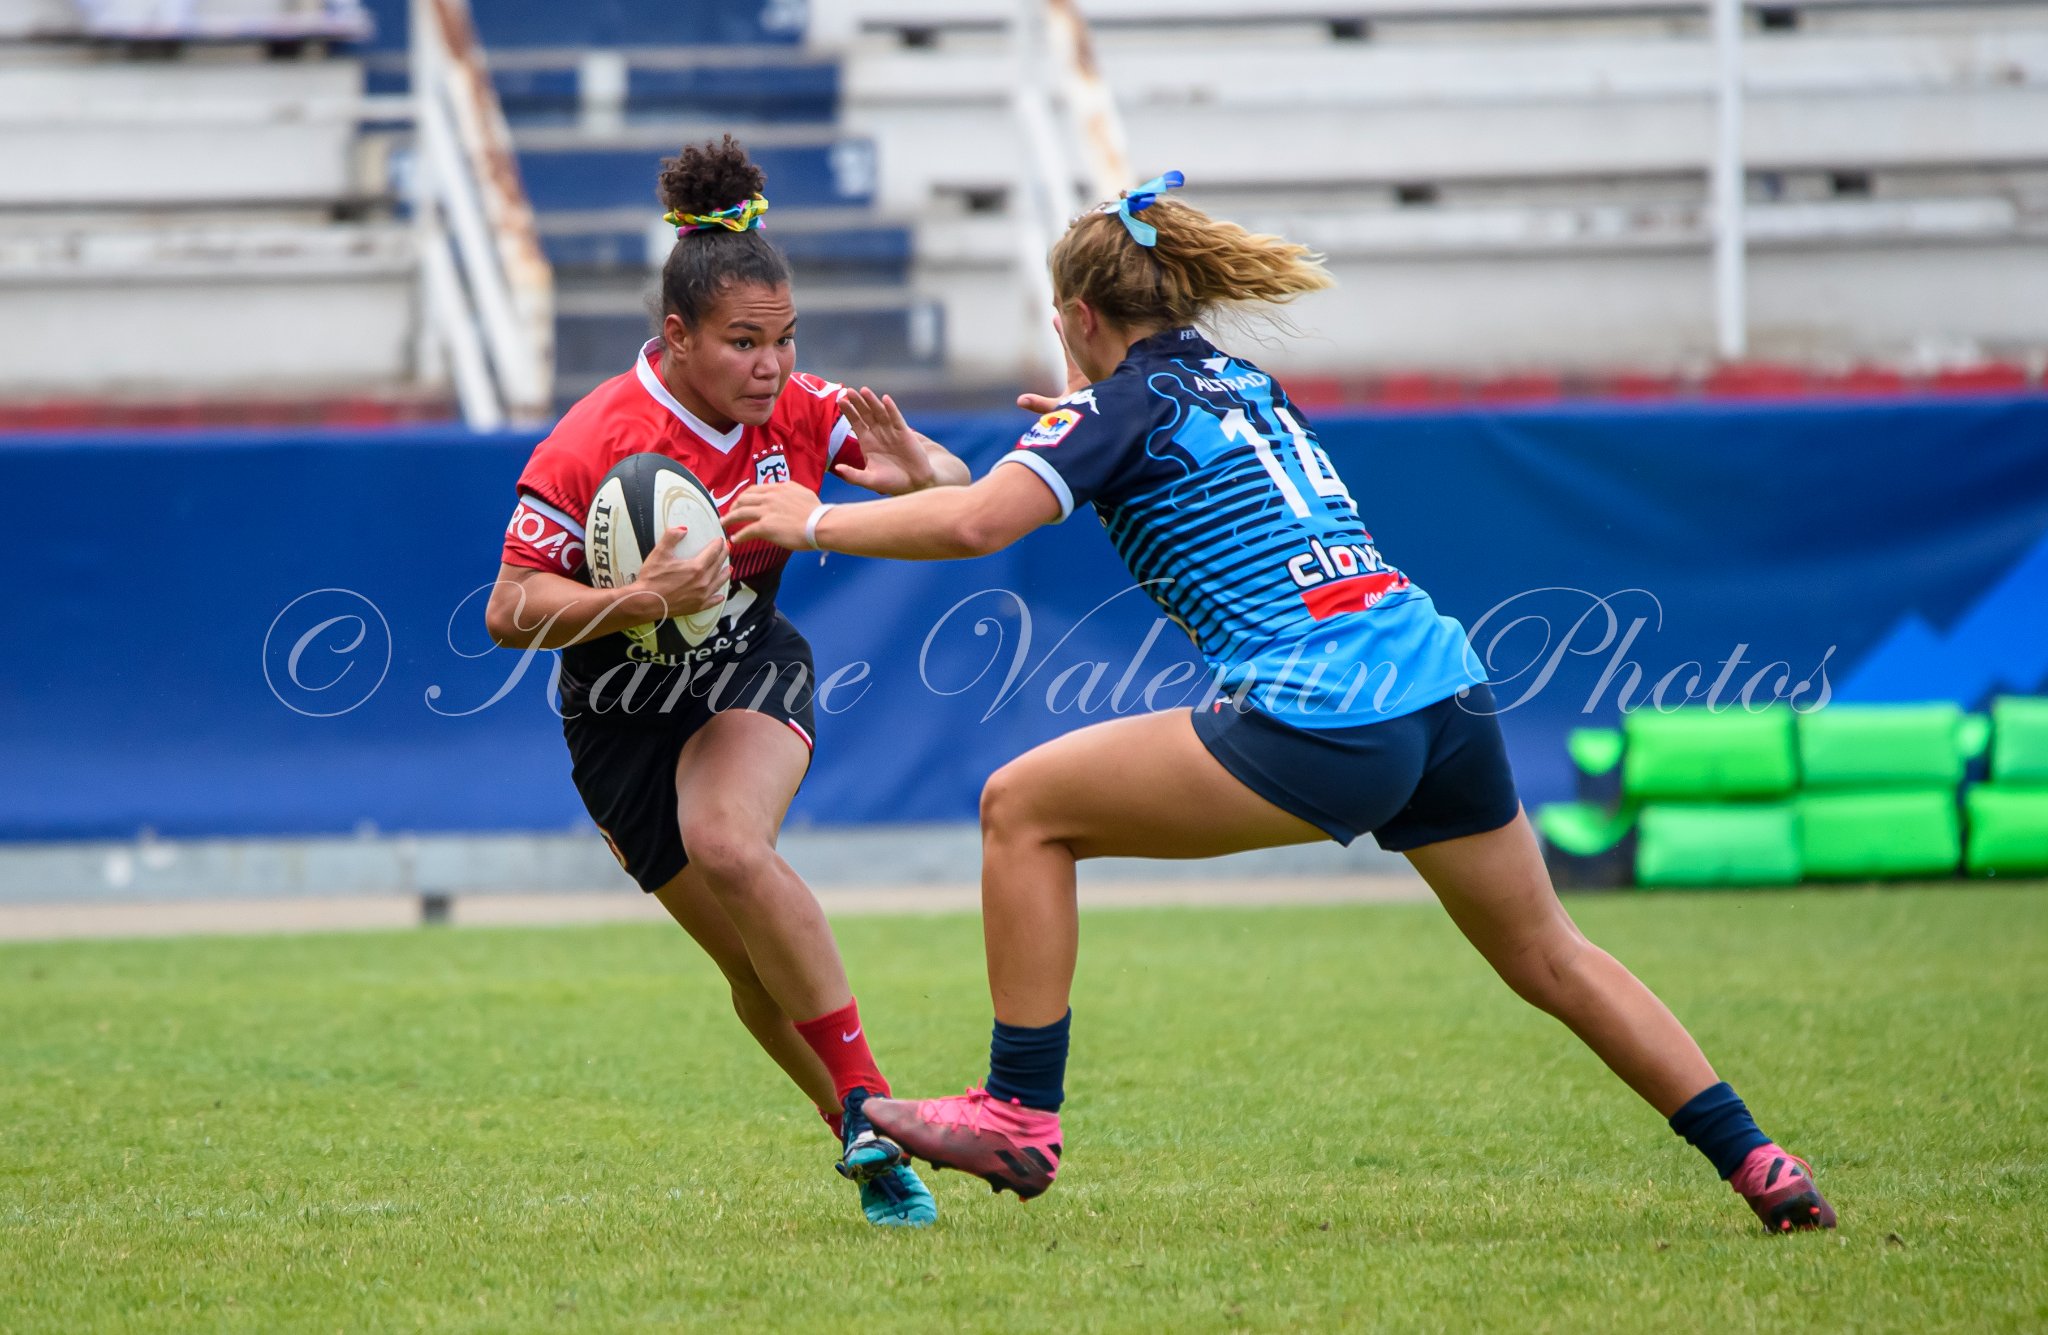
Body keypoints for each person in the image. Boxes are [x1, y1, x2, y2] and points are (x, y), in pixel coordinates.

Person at [725, 174, 1837, 1234]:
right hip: (1440, 689)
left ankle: (1016, 1115)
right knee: (1550, 954)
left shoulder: (1109, 412)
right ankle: (1756, 1159)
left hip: (1324, 712)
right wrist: (954, 466)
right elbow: (1015, 491)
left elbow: (977, 528)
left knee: (1023, 808)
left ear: (1074, 313)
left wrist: (807, 521)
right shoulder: (1238, 385)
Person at [485, 136, 969, 1228]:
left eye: (786, 339)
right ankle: (856, 1126)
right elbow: (508, 610)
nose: (772, 365)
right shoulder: (595, 441)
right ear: (677, 337)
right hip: (617, 720)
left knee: (729, 841)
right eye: (745, 343)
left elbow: (954, 484)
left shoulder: (806, 407)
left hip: (748, 661)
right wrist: (641, 597)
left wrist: (906, 482)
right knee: (751, 973)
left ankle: (873, 1105)